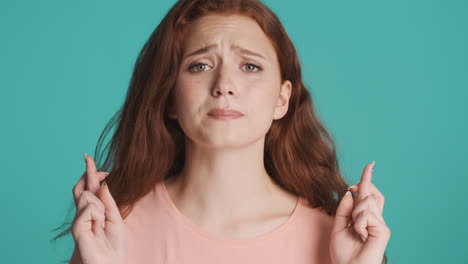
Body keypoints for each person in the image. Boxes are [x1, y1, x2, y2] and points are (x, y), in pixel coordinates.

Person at [54, 0, 391, 263]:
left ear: (282, 98)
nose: (225, 85)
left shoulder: (333, 237)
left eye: (250, 66)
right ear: (169, 96)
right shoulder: (115, 229)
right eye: (200, 66)